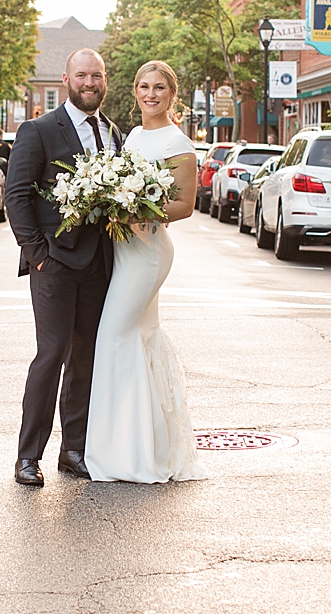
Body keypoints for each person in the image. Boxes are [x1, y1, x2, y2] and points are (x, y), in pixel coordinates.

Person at [3, 49, 122, 488]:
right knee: (50, 356)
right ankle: (27, 457)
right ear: (66, 78)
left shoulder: (112, 134)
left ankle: (73, 450)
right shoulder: (37, 130)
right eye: (82, 75)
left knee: (85, 360)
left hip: (98, 264)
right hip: (52, 263)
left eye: (97, 75)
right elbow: (16, 196)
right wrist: (37, 254)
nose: (90, 83)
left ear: (104, 80)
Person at [85, 60, 205, 484]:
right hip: (123, 249)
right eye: (142, 86)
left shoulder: (180, 143)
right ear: (134, 90)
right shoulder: (133, 135)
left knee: (115, 335)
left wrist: (131, 207)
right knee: (137, 338)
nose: (149, 94)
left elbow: (184, 205)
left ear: (172, 95)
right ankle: (140, 444)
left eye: (158, 88)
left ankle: (127, 453)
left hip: (149, 251)